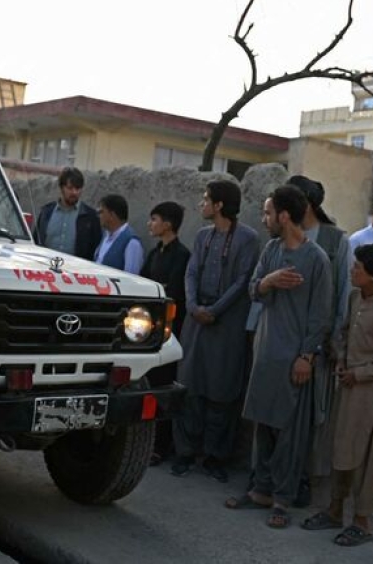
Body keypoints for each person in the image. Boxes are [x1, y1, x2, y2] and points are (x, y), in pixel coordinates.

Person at [224, 185, 332, 531]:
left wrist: (306, 356)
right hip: (267, 352)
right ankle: (260, 490)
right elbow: (254, 288)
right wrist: (269, 280)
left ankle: (283, 499)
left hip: (294, 358)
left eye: (269, 212)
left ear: (284, 216)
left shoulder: (316, 259)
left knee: (290, 431)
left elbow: (321, 315)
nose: (265, 218)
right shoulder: (271, 249)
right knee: (263, 425)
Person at [300, 243, 373, 546]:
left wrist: (359, 373)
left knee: (364, 460)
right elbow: (345, 333)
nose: (352, 271)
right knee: (341, 451)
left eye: (358, 268)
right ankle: (335, 510)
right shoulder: (354, 298)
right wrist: (342, 356)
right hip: (346, 388)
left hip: (369, 396)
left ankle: (362, 521)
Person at [174, 180, 259, 482]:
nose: (202, 204)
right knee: (190, 385)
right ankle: (185, 452)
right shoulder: (202, 236)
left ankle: (214, 456)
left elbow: (242, 282)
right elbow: (192, 271)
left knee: (221, 391)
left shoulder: (247, 238)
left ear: (220, 205)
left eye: (207, 199)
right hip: (197, 319)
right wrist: (194, 305)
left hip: (226, 323)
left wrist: (215, 310)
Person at [285, 174, 350, 507]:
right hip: (283, 341)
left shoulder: (336, 241)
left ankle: (306, 478)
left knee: (314, 416)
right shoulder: (283, 238)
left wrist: (335, 343)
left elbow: (342, 297)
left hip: (319, 347)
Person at [140, 200, 192, 466]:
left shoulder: (181, 255)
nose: (150, 224)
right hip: (146, 332)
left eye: (154, 219)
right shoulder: (155, 252)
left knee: (163, 387)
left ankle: (162, 446)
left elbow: (172, 294)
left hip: (168, 332)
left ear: (168, 224)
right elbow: (143, 284)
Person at [32, 167, 101, 260]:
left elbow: (95, 251)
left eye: (78, 188)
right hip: (45, 269)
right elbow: (35, 242)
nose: (74, 192)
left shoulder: (90, 217)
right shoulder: (46, 213)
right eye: (70, 188)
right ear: (61, 188)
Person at [93, 194, 143, 274]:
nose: (99, 216)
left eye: (102, 212)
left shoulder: (132, 242)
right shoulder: (106, 236)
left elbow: (131, 277)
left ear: (112, 215)